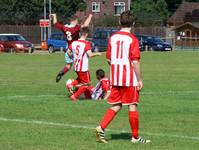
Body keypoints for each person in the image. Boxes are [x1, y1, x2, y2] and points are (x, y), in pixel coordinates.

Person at [95, 11, 150, 144]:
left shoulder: (112, 38)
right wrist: (139, 79)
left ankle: (101, 128)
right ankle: (135, 137)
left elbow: (108, 58)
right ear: (134, 23)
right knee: (132, 105)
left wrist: (115, 66)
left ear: (119, 22)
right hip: (129, 79)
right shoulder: (132, 39)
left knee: (117, 105)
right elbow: (135, 61)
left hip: (116, 78)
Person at [50, 13, 93, 83]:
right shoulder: (76, 28)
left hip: (68, 50)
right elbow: (85, 26)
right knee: (80, 68)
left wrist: (54, 16)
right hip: (76, 49)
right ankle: (79, 84)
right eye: (77, 21)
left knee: (68, 66)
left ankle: (61, 73)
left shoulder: (64, 27)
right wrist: (90, 17)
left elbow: (55, 23)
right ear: (75, 20)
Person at [67, 27, 101, 101]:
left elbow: (68, 52)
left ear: (80, 33)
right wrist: (97, 53)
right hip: (83, 68)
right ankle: (74, 96)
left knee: (81, 80)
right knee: (87, 84)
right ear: (86, 34)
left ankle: (87, 96)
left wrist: (73, 57)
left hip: (76, 66)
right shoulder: (86, 43)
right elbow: (90, 54)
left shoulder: (74, 42)